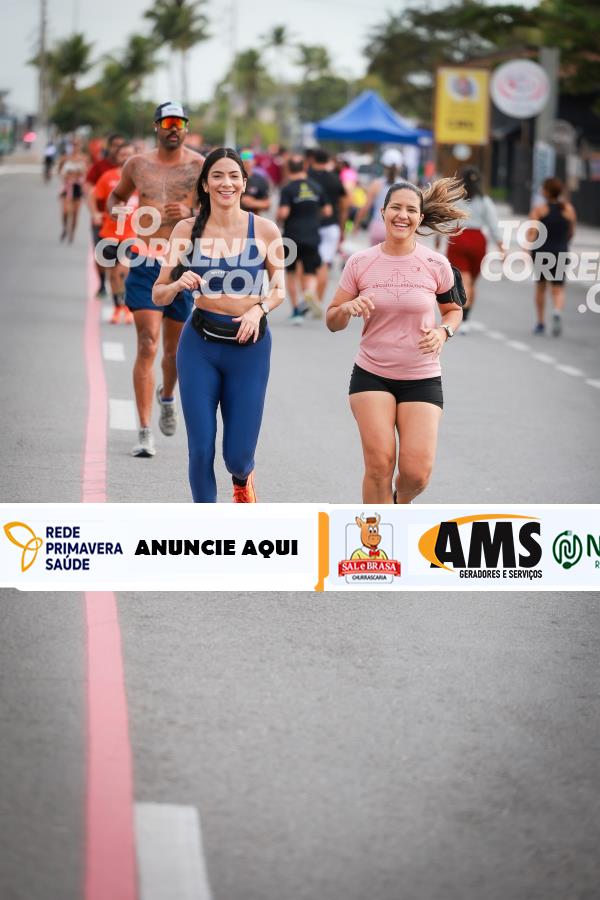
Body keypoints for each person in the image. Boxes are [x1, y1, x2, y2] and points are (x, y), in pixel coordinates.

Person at [152, 148, 285, 503]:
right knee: (200, 448)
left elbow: (279, 291)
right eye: (217, 176)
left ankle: (242, 479)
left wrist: (258, 310)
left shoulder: (265, 230)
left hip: (249, 349)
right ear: (205, 185)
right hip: (200, 346)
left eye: (233, 176)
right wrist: (177, 284)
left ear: (244, 183)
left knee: (237, 456)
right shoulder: (185, 230)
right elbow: (158, 293)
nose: (226, 183)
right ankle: (207, 525)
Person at [326, 178, 467, 504]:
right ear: (383, 212)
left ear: (420, 218)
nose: (403, 215)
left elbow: (453, 311)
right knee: (379, 465)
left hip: (422, 376)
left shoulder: (436, 264)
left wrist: (443, 332)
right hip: (372, 374)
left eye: (411, 210)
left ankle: (398, 505)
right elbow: (333, 321)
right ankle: (378, 533)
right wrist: (346, 308)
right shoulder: (360, 262)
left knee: (417, 474)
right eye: (396, 208)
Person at [107, 102, 204, 458]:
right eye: (167, 122)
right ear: (156, 127)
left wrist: (191, 212)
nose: (173, 128)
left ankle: (167, 396)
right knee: (148, 343)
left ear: (186, 127)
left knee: (173, 351)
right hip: (146, 261)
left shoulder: (199, 166)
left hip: (181, 265)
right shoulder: (137, 165)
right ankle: (145, 430)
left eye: (179, 122)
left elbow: (217, 209)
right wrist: (123, 216)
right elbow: (116, 197)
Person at [444, 167, 505, 329]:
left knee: (463, 281)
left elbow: (444, 219)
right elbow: (493, 225)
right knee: (472, 282)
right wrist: (501, 248)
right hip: (478, 240)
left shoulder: (455, 198)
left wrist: (438, 238)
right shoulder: (485, 201)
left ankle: (462, 318)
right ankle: (467, 317)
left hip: (459, 237)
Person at [277, 155, 332, 322]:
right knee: (310, 271)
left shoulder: (288, 189)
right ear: (305, 167)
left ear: (288, 169)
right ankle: (309, 292)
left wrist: (279, 219)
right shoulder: (315, 187)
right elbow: (328, 211)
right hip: (312, 234)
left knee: (291, 274)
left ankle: (296, 312)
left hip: (292, 236)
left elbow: (283, 213)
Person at [91, 142, 138, 324]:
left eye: (129, 154)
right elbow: (94, 196)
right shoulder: (108, 177)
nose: (126, 157)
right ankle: (118, 307)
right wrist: (96, 213)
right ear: (116, 157)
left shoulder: (141, 180)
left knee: (123, 271)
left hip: (131, 235)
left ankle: (127, 306)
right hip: (109, 234)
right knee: (112, 275)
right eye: (122, 154)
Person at [528, 176, 576, 337]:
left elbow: (532, 232)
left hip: (542, 252)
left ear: (547, 192)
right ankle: (557, 311)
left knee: (541, 288)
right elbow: (571, 232)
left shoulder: (539, 210)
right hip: (560, 250)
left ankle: (540, 322)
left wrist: (527, 248)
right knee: (558, 288)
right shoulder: (568, 209)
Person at [85, 133, 125, 298]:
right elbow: (89, 189)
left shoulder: (134, 169)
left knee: (122, 260)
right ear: (109, 147)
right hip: (102, 220)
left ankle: (120, 293)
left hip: (125, 224)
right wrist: (95, 213)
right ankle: (102, 284)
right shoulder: (100, 167)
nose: (118, 149)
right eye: (115, 145)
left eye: (122, 145)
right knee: (101, 255)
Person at [308, 148, 348, 302]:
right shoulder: (335, 179)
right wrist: (342, 226)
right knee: (324, 263)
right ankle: (318, 299)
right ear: (327, 161)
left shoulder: (307, 177)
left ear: (313, 160)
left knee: (307, 263)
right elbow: (344, 204)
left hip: (310, 225)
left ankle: (309, 291)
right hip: (331, 225)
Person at [352, 148, 404, 245]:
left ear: (383, 165)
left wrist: (356, 225)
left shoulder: (376, 184)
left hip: (378, 226)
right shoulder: (405, 185)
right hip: (397, 228)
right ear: (400, 166)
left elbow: (365, 207)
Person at [57, 137, 89, 242]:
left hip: (77, 188)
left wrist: (79, 174)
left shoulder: (84, 158)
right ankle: (65, 228)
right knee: (65, 211)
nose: (75, 147)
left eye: (77, 144)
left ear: (80, 146)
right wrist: (66, 176)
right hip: (67, 187)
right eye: (73, 144)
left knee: (75, 213)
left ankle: (72, 233)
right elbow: (59, 172)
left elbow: (87, 173)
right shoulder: (65, 158)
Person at [239, 149, 271, 215]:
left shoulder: (260, 180)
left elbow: (267, 204)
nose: (246, 163)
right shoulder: (234, 178)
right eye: (244, 161)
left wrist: (253, 203)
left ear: (254, 162)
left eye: (248, 161)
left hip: (253, 218)